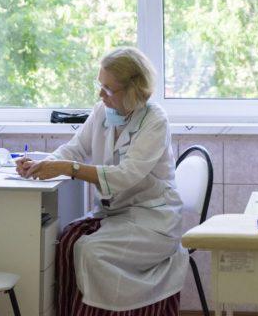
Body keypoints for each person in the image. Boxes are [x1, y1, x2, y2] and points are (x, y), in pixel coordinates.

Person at [16, 47, 187, 316]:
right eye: (100, 86)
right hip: (116, 214)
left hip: (152, 219)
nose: (100, 95)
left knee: (89, 250)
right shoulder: (102, 112)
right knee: (67, 239)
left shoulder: (155, 121)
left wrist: (67, 168)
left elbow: (125, 175)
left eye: (108, 89)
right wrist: (43, 164)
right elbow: (74, 149)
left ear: (133, 91)